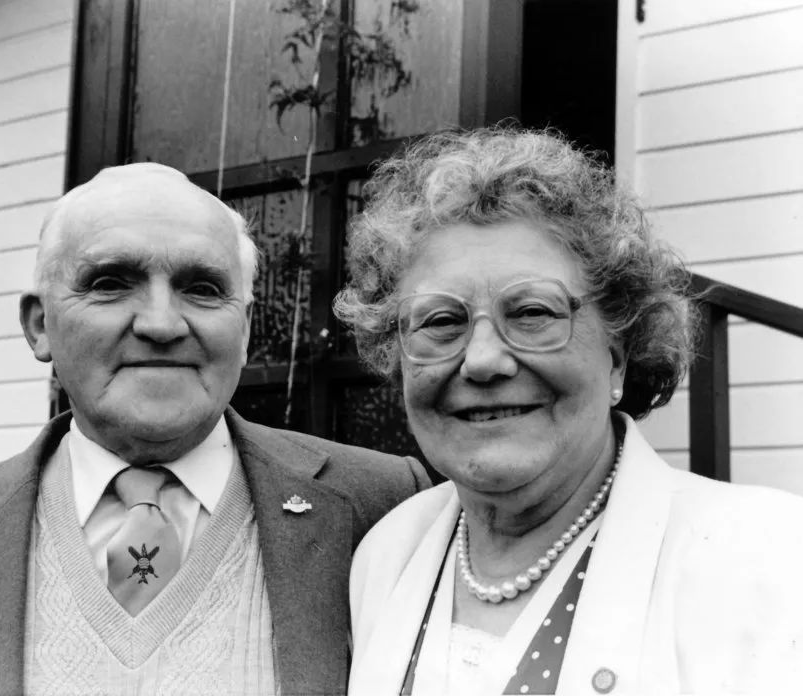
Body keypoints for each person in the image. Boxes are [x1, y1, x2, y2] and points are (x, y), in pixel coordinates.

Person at [0, 163, 430, 696]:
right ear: (39, 326)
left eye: (202, 288)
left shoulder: (383, 510)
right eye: (111, 282)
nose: (162, 323)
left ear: (244, 330)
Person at [334, 128, 803, 694]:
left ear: (617, 358)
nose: (482, 361)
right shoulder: (385, 555)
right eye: (441, 322)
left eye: (532, 312)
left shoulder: (770, 560)